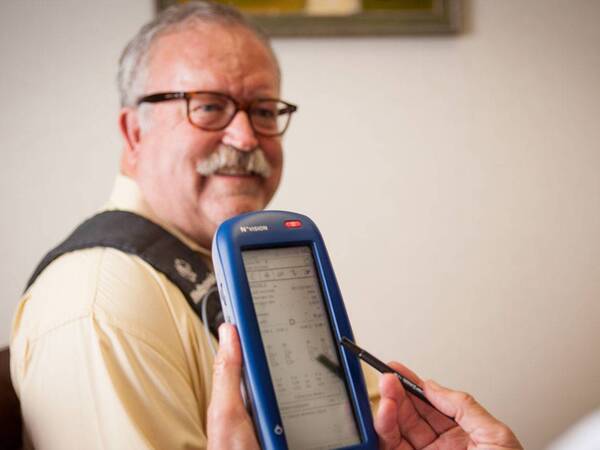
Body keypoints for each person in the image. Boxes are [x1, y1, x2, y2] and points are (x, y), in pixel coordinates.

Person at [10, 1, 522, 449]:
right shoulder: (100, 304)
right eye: (208, 107)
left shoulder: (255, 267)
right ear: (133, 132)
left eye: (262, 110)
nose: (246, 137)